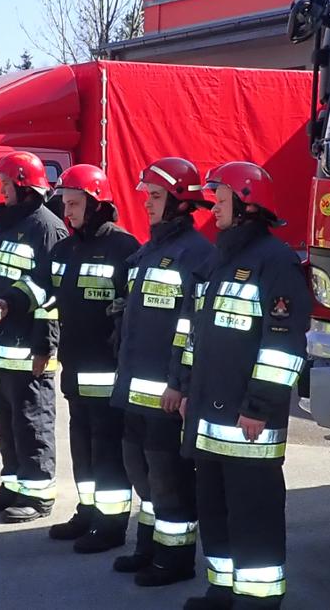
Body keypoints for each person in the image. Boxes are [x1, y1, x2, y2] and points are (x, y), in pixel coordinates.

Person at [172, 161, 310, 609]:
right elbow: (198, 334)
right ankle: (223, 590)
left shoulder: (276, 262)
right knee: (215, 510)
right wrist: (188, 387)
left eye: (220, 198)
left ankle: (258, 600)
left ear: (247, 202)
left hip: (249, 421)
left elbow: (283, 346)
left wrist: (259, 406)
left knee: (254, 515)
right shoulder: (220, 258)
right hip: (210, 418)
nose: (213, 207)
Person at [110, 157, 212, 587]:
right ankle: (148, 545)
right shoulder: (148, 251)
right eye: (147, 196)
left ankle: (175, 560)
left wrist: (179, 383)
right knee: (140, 470)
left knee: (167, 475)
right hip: (133, 386)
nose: (147, 204)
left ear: (178, 202)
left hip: (164, 393)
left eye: (155, 197)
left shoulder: (198, 256)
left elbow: (192, 328)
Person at [49, 164, 142, 554]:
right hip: (75, 369)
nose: (67, 212)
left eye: (74, 204)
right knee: (83, 449)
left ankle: (111, 524)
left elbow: (135, 314)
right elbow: (47, 297)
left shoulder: (125, 248)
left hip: (108, 372)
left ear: (97, 203)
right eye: (65, 204)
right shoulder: (64, 250)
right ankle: (87, 511)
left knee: (108, 453)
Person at [0, 151, 68, 524]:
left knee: (33, 423)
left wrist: (45, 346)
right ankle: (13, 485)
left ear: (24, 186)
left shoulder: (46, 228)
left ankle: (38, 492)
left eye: (6, 184)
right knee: (8, 425)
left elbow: (50, 294)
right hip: (1, 350)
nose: (2, 190)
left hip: (29, 350)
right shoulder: (10, 224)